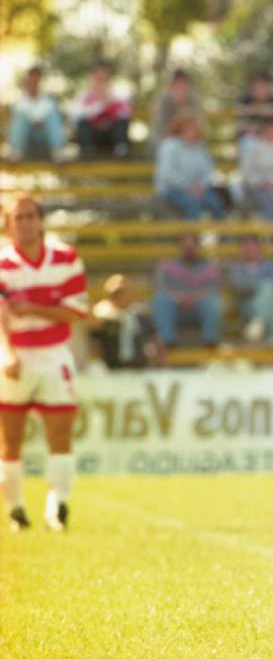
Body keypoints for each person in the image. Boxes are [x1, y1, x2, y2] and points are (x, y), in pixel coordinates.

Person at [0, 193, 88, 532]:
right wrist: (7, 353)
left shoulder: (65, 258)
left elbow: (77, 309)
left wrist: (32, 309)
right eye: (17, 217)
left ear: (41, 220)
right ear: (9, 225)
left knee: (60, 432)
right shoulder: (4, 264)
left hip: (54, 354)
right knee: (11, 437)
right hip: (15, 355)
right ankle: (16, 509)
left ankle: (59, 505)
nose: (24, 223)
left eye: (30, 216)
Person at [152, 232, 222, 348]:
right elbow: (162, 288)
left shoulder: (208, 268)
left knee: (214, 302)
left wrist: (193, 299)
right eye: (185, 246)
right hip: (175, 307)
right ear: (180, 247)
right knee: (160, 299)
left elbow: (212, 290)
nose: (188, 249)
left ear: (197, 247)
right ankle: (168, 340)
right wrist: (180, 299)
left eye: (191, 246)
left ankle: (210, 341)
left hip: (199, 308)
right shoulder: (167, 267)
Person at [154, 110, 226, 220]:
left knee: (216, 202)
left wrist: (201, 185)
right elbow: (167, 173)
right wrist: (188, 186)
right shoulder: (169, 145)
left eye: (196, 128)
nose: (193, 132)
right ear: (181, 128)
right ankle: (191, 236)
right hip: (172, 189)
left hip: (199, 189)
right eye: (190, 128)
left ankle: (224, 235)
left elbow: (208, 169)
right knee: (193, 204)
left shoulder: (200, 146)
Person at [89, 274, 166, 369]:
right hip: (112, 369)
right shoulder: (103, 315)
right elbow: (94, 336)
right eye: (116, 294)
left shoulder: (140, 314)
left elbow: (154, 338)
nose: (119, 297)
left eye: (122, 292)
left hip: (139, 367)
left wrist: (162, 360)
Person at [228, 237, 273, 348]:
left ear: (260, 249)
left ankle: (259, 322)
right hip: (247, 304)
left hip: (269, 301)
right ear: (242, 250)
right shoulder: (237, 269)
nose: (250, 251)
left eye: (253, 248)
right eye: (247, 248)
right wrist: (260, 285)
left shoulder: (272, 266)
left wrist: (255, 285)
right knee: (269, 292)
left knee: (270, 294)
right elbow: (239, 286)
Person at [71, 60, 132, 159]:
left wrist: (110, 100)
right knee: (82, 123)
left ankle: (121, 149)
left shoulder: (118, 93)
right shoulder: (84, 95)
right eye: (98, 76)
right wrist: (100, 104)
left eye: (105, 76)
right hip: (93, 136)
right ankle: (87, 150)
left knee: (122, 122)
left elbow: (126, 112)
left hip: (112, 135)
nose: (101, 79)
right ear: (92, 76)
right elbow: (75, 115)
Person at [6, 66, 67, 162]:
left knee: (52, 117)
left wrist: (38, 121)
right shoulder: (19, 99)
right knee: (20, 118)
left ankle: (57, 151)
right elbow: (18, 116)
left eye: (37, 79)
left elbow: (50, 115)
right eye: (32, 78)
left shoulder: (49, 99)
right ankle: (15, 152)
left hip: (45, 141)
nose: (34, 82)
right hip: (26, 141)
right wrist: (34, 121)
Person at [149, 69, 202, 156]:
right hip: (164, 143)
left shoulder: (193, 98)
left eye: (183, 86)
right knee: (170, 147)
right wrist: (179, 119)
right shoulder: (162, 100)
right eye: (177, 86)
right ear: (171, 86)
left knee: (199, 147)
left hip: (189, 142)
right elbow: (161, 134)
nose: (181, 90)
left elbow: (199, 128)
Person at [235, 72, 273, 147]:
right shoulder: (244, 103)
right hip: (252, 138)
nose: (259, 90)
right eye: (256, 86)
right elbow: (239, 125)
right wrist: (259, 130)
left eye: (263, 86)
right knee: (247, 143)